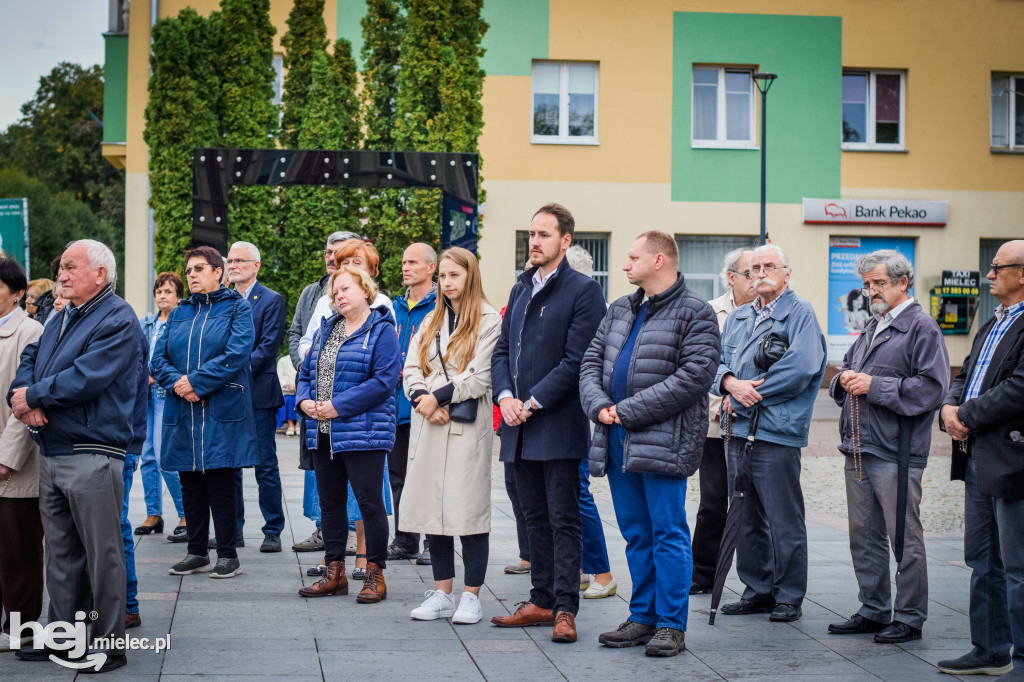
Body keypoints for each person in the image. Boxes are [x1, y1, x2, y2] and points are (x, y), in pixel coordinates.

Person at [580, 232, 720, 657]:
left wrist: (628, 410)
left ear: (659, 260)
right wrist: (601, 406)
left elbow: (694, 377)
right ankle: (642, 616)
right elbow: (590, 362)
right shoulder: (620, 308)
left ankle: (671, 624)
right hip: (616, 434)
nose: (624, 265)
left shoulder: (696, 311)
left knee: (668, 532)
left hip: (664, 440)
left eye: (632, 257)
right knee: (636, 532)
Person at [9, 239, 142, 673]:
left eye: (71, 267)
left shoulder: (117, 317)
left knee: (103, 556)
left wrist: (35, 395)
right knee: (61, 552)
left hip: (93, 451)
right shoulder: (62, 312)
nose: (61, 275)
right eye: (60, 268)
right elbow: (32, 356)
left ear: (101, 274)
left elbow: (87, 377)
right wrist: (27, 396)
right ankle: (63, 637)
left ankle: (108, 645)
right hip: (53, 450)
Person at [490, 203, 606, 644]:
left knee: (563, 519)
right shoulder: (520, 289)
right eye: (531, 234)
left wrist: (531, 402)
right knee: (532, 517)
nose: (534, 242)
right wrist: (505, 398)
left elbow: (577, 361)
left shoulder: (583, 291)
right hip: (517, 425)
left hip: (556, 425)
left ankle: (563, 609)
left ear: (565, 241)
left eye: (544, 234)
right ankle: (539, 600)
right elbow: (501, 352)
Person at [828, 250, 949, 644]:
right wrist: (843, 379)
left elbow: (931, 390)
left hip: (897, 453)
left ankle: (910, 618)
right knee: (863, 536)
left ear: (902, 283)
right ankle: (874, 609)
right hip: (860, 448)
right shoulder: (872, 326)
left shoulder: (922, 328)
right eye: (866, 285)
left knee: (904, 538)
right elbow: (847, 369)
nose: (871, 291)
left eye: (878, 283)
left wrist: (873, 386)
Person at [713, 243, 827, 623]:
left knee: (783, 518)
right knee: (745, 514)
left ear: (786, 273)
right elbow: (714, 362)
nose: (760, 272)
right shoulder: (738, 317)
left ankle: (789, 595)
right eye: (754, 267)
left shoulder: (801, 313)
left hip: (777, 433)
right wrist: (729, 382)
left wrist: (745, 396)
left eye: (769, 266)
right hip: (737, 429)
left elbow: (801, 369)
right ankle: (757, 590)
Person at [937, 240, 1024, 678]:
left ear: (1022, 273)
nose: (988, 275)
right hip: (977, 455)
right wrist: (950, 408)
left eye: (997, 267)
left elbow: (1019, 389)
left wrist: (964, 415)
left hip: (1013, 458)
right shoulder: (992, 323)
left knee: (1018, 566)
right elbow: (966, 373)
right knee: (982, 559)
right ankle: (990, 650)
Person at [401, 247, 501, 624]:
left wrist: (435, 397)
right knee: (432, 511)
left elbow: (480, 375)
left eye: (454, 275)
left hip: (465, 424)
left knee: (468, 511)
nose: (446, 283)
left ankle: (471, 596)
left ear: (470, 276)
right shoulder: (430, 321)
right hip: (430, 426)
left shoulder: (489, 321)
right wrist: (421, 397)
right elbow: (411, 367)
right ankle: (442, 592)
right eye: (442, 276)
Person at [295, 266, 401, 603]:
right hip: (323, 430)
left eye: (345, 289)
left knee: (370, 504)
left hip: (363, 431)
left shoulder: (381, 330)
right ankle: (335, 573)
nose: (338, 295)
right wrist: (304, 401)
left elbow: (384, 381)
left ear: (365, 290)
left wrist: (337, 406)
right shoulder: (329, 329)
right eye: (334, 292)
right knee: (330, 505)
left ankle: (375, 575)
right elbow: (305, 372)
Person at [151, 246, 257, 581]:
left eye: (199, 268)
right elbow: (158, 359)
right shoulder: (180, 311)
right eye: (189, 270)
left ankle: (227, 555)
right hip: (183, 409)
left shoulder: (237, 307)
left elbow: (237, 353)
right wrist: (180, 384)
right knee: (190, 482)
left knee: (220, 482)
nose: (192, 274)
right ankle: (196, 552)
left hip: (219, 408)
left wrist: (197, 383)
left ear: (218, 271)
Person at [287, 230, 360, 554]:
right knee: (318, 467)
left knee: (352, 472)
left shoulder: (367, 296)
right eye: (328, 251)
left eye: (339, 252)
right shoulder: (311, 293)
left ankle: (355, 540)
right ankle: (324, 530)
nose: (331, 257)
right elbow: (297, 334)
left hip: (347, 403)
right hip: (315, 394)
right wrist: (309, 366)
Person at [690, 248, 756, 595]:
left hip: (756, 424)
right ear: (731, 277)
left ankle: (757, 581)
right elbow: (702, 365)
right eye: (749, 272)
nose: (757, 278)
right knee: (713, 501)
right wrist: (724, 399)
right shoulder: (711, 313)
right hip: (716, 425)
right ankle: (702, 574)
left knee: (753, 504)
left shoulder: (771, 310)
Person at [226, 241, 287, 553]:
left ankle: (273, 529)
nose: (233, 265)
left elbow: (266, 349)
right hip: (227, 396)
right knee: (230, 465)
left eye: (240, 261)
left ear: (256, 266)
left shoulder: (271, 300)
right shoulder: (222, 300)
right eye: (230, 260)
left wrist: (230, 374)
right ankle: (232, 530)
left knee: (265, 465)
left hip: (258, 393)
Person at [564, 243, 617, 599]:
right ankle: (582, 567)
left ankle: (603, 573)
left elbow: (588, 364)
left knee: (579, 492)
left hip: (581, 410)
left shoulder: (593, 306)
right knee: (566, 493)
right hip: (562, 408)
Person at [0, 258, 44, 652]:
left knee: (19, 553)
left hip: (15, 466)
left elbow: (25, 403)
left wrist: (5, 459)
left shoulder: (30, 331)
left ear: (16, 293)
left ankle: (22, 629)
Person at [387, 242, 438, 565]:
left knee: (429, 476)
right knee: (398, 477)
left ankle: (435, 542)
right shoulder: (393, 307)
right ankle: (405, 539)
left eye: (413, 263)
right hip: (395, 406)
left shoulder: (441, 305)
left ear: (430, 268)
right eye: (404, 262)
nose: (405, 267)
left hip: (426, 404)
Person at [136, 272, 186, 540]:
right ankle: (153, 514)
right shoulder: (146, 323)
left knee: (165, 457)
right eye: (159, 292)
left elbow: (183, 358)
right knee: (147, 456)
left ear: (179, 296)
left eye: (168, 291)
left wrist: (159, 373)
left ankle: (185, 512)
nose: (162, 296)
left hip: (169, 395)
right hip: (145, 396)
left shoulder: (183, 322)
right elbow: (135, 353)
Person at [277, 355, 299, 436]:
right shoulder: (283, 360)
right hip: (287, 391)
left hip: (300, 390)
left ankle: (298, 424)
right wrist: (288, 386)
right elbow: (280, 376)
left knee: (302, 399)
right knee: (288, 399)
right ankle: (290, 424)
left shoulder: (303, 359)